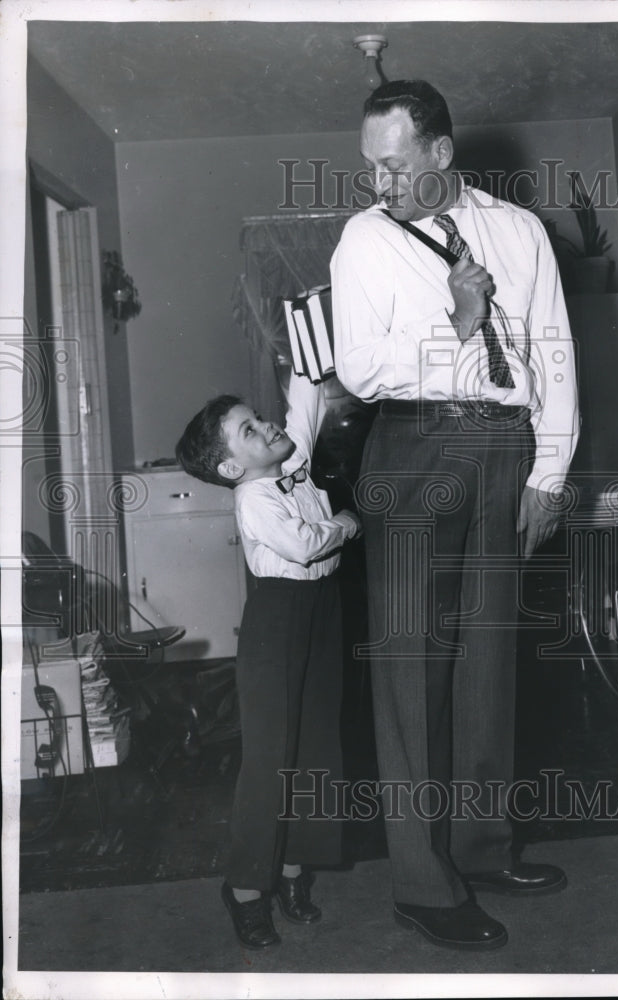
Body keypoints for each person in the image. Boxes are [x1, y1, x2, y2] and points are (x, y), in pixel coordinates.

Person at [330, 80, 579, 950]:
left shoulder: (517, 230)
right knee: (411, 671)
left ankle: (480, 848)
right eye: (371, 168)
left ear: (440, 152)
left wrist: (549, 471)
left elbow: (553, 348)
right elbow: (359, 368)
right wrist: (456, 322)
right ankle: (422, 883)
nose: (381, 184)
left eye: (395, 166)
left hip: (505, 446)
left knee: (488, 662)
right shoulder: (364, 239)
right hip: (412, 449)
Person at [175, 372, 361, 949]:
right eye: (249, 430)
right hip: (277, 620)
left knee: (317, 744)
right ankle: (245, 888)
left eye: (258, 417)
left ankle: (293, 868)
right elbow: (303, 545)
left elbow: (303, 408)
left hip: (323, 610)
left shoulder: (289, 463)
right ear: (232, 467)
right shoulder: (253, 497)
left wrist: (308, 359)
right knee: (270, 758)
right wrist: (345, 524)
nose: (266, 426)